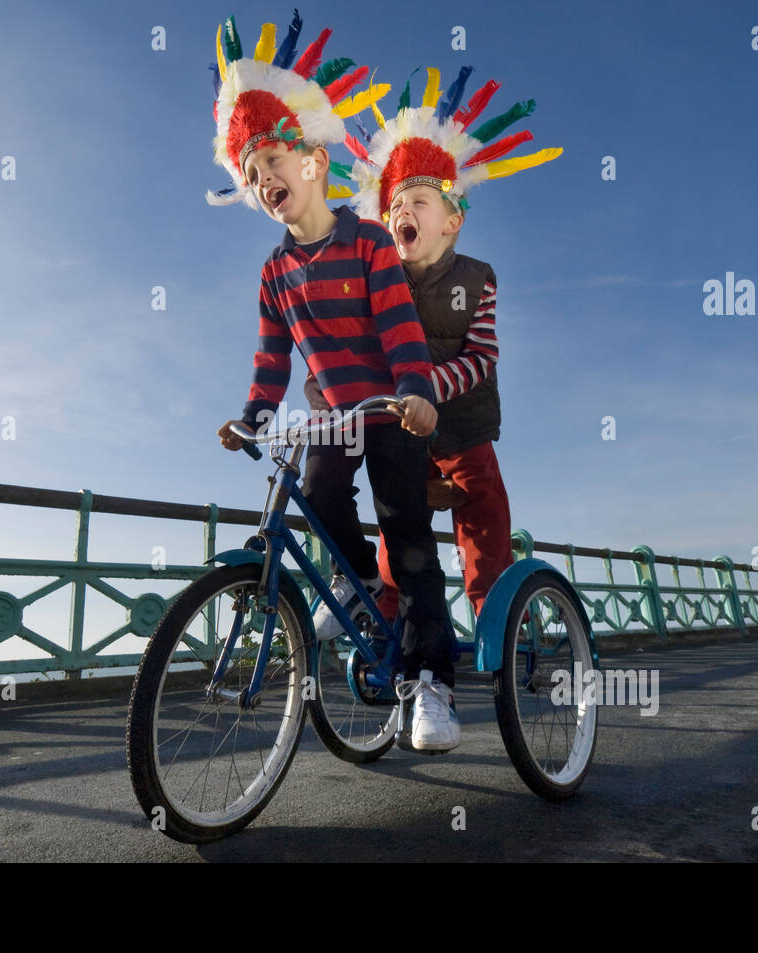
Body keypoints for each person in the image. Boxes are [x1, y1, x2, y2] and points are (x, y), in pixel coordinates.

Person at [206, 13, 462, 751]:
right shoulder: (273, 272)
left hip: (390, 409)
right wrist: (254, 416)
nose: (262, 183)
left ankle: (431, 687)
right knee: (317, 496)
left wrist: (416, 390)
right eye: (250, 177)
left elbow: (400, 330)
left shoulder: (370, 243)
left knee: (408, 536)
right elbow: (272, 360)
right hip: (331, 415)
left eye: (273, 163)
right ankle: (352, 583)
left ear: (315, 162)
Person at [306, 64, 563, 621]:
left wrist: (424, 386)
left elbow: (483, 356)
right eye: (395, 204)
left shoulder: (477, 278)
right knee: (401, 526)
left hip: (464, 424)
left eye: (420, 201)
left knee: (484, 512)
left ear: (452, 222)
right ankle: (390, 618)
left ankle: (496, 614)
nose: (403, 210)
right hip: (401, 429)